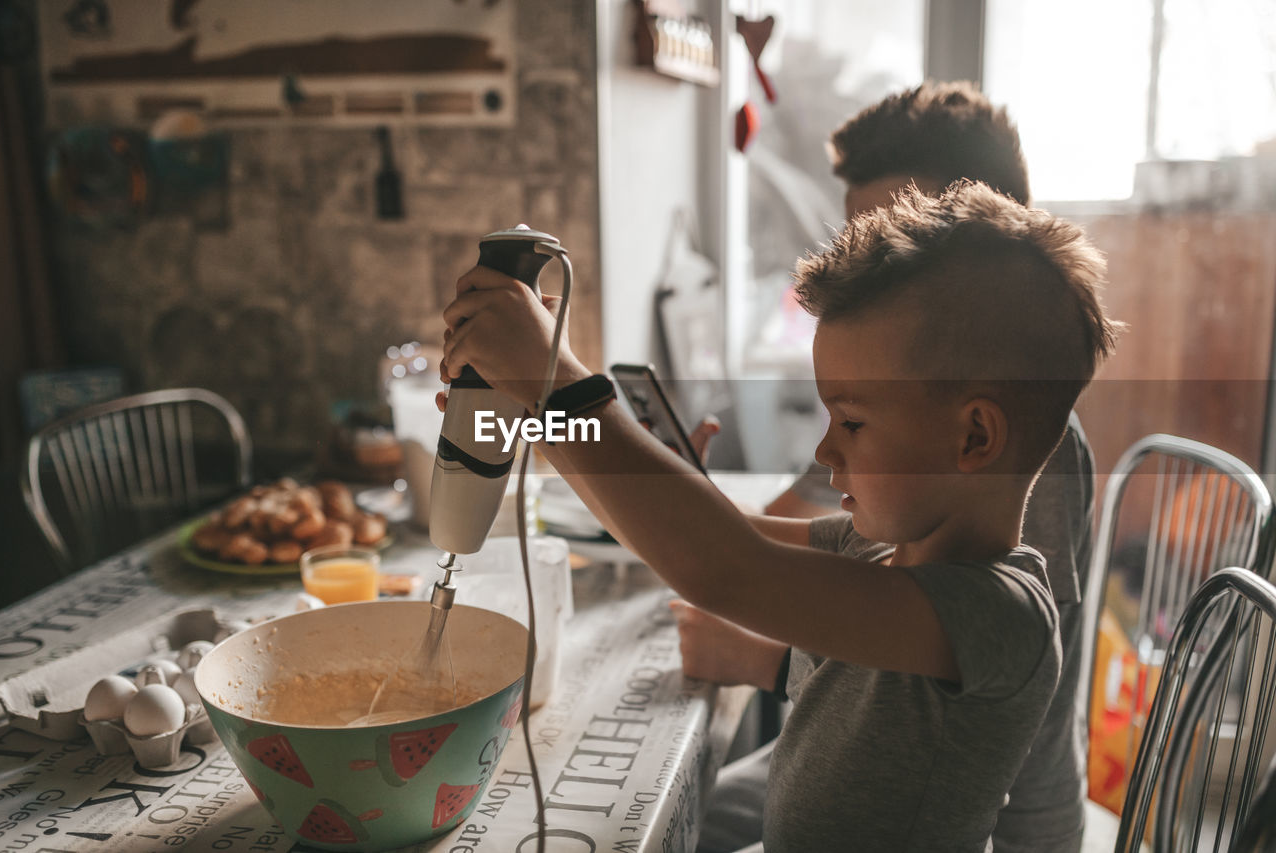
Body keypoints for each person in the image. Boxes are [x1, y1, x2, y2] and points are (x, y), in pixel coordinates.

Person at [438, 181, 1120, 851]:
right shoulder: (878, 550)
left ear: (974, 437)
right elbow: (691, 538)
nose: (826, 448)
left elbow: (727, 568)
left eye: (851, 420)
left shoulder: (1000, 615)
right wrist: (537, 413)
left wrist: (561, 385)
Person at [688, 81, 1098, 853]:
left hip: (1000, 823)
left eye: (893, 236)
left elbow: (960, 686)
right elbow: (825, 535)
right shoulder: (913, 439)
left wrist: (772, 655)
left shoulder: (1024, 460)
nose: (869, 264)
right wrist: (687, 505)